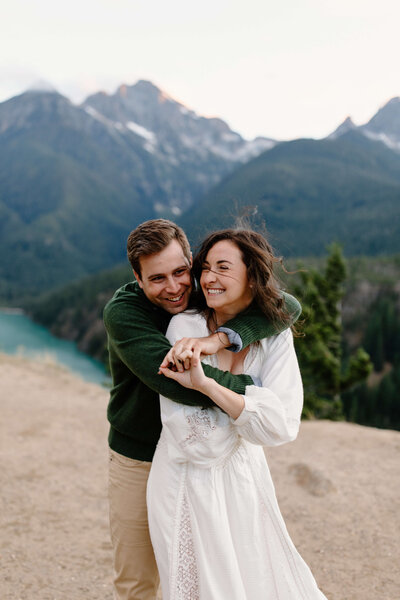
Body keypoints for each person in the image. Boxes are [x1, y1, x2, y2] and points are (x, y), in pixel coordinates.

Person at [103, 220, 301, 600]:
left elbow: (287, 305)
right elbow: (182, 386)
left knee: (208, 574)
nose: (174, 287)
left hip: (201, 461)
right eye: (157, 278)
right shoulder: (124, 313)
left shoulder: (204, 293)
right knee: (138, 578)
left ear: (191, 262)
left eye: (180, 272)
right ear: (137, 277)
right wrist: (258, 395)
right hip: (139, 453)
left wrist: (218, 338)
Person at [147, 228, 327, 599]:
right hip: (186, 481)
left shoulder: (275, 335)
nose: (209, 278)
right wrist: (253, 408)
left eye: (223, 267)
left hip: (246, 480)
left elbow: (283, 426)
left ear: (251, 277)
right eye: (206, 267)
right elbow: (195, 437)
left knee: (259, 581)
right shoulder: (183, 328)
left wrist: (207, 386)